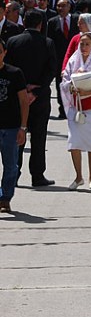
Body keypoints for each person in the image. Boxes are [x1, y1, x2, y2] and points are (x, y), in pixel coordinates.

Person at [5, 10, 57, 187]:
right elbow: (51, 70)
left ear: (24, 22)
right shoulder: (47, 43)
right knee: (38, 136)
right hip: (40, 98)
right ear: (40, 24)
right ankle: (37, 175)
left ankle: (15, 173)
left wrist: (23, 89)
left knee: (17, 135)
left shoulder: (12, 42)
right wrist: (36, 91)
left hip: (17, 98)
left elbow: (8, 68)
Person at [61, 32, 91, 190]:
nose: (84, 47)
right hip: (76, 107)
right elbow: (65, 79)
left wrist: (86, 91)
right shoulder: (74, 60)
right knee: (74, 143)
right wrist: (72, 86)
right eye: (81, 44)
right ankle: (78, 176)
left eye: (87, 44)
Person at [0, 39, 29, 213]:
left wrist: (23, 128)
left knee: (11, 166)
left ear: (4, 53)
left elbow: (23, 101)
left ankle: (5, 198)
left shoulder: (15, 73)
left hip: (11, 128)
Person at [47, 0, 78, 118]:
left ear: (69, 7)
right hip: (58, 58)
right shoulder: (52, 22)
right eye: (59, 6)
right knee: (61, 84)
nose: (61, 8)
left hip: (74, 58)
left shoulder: (76, 20)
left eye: (63, 6)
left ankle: (74, 107)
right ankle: (62, 108)